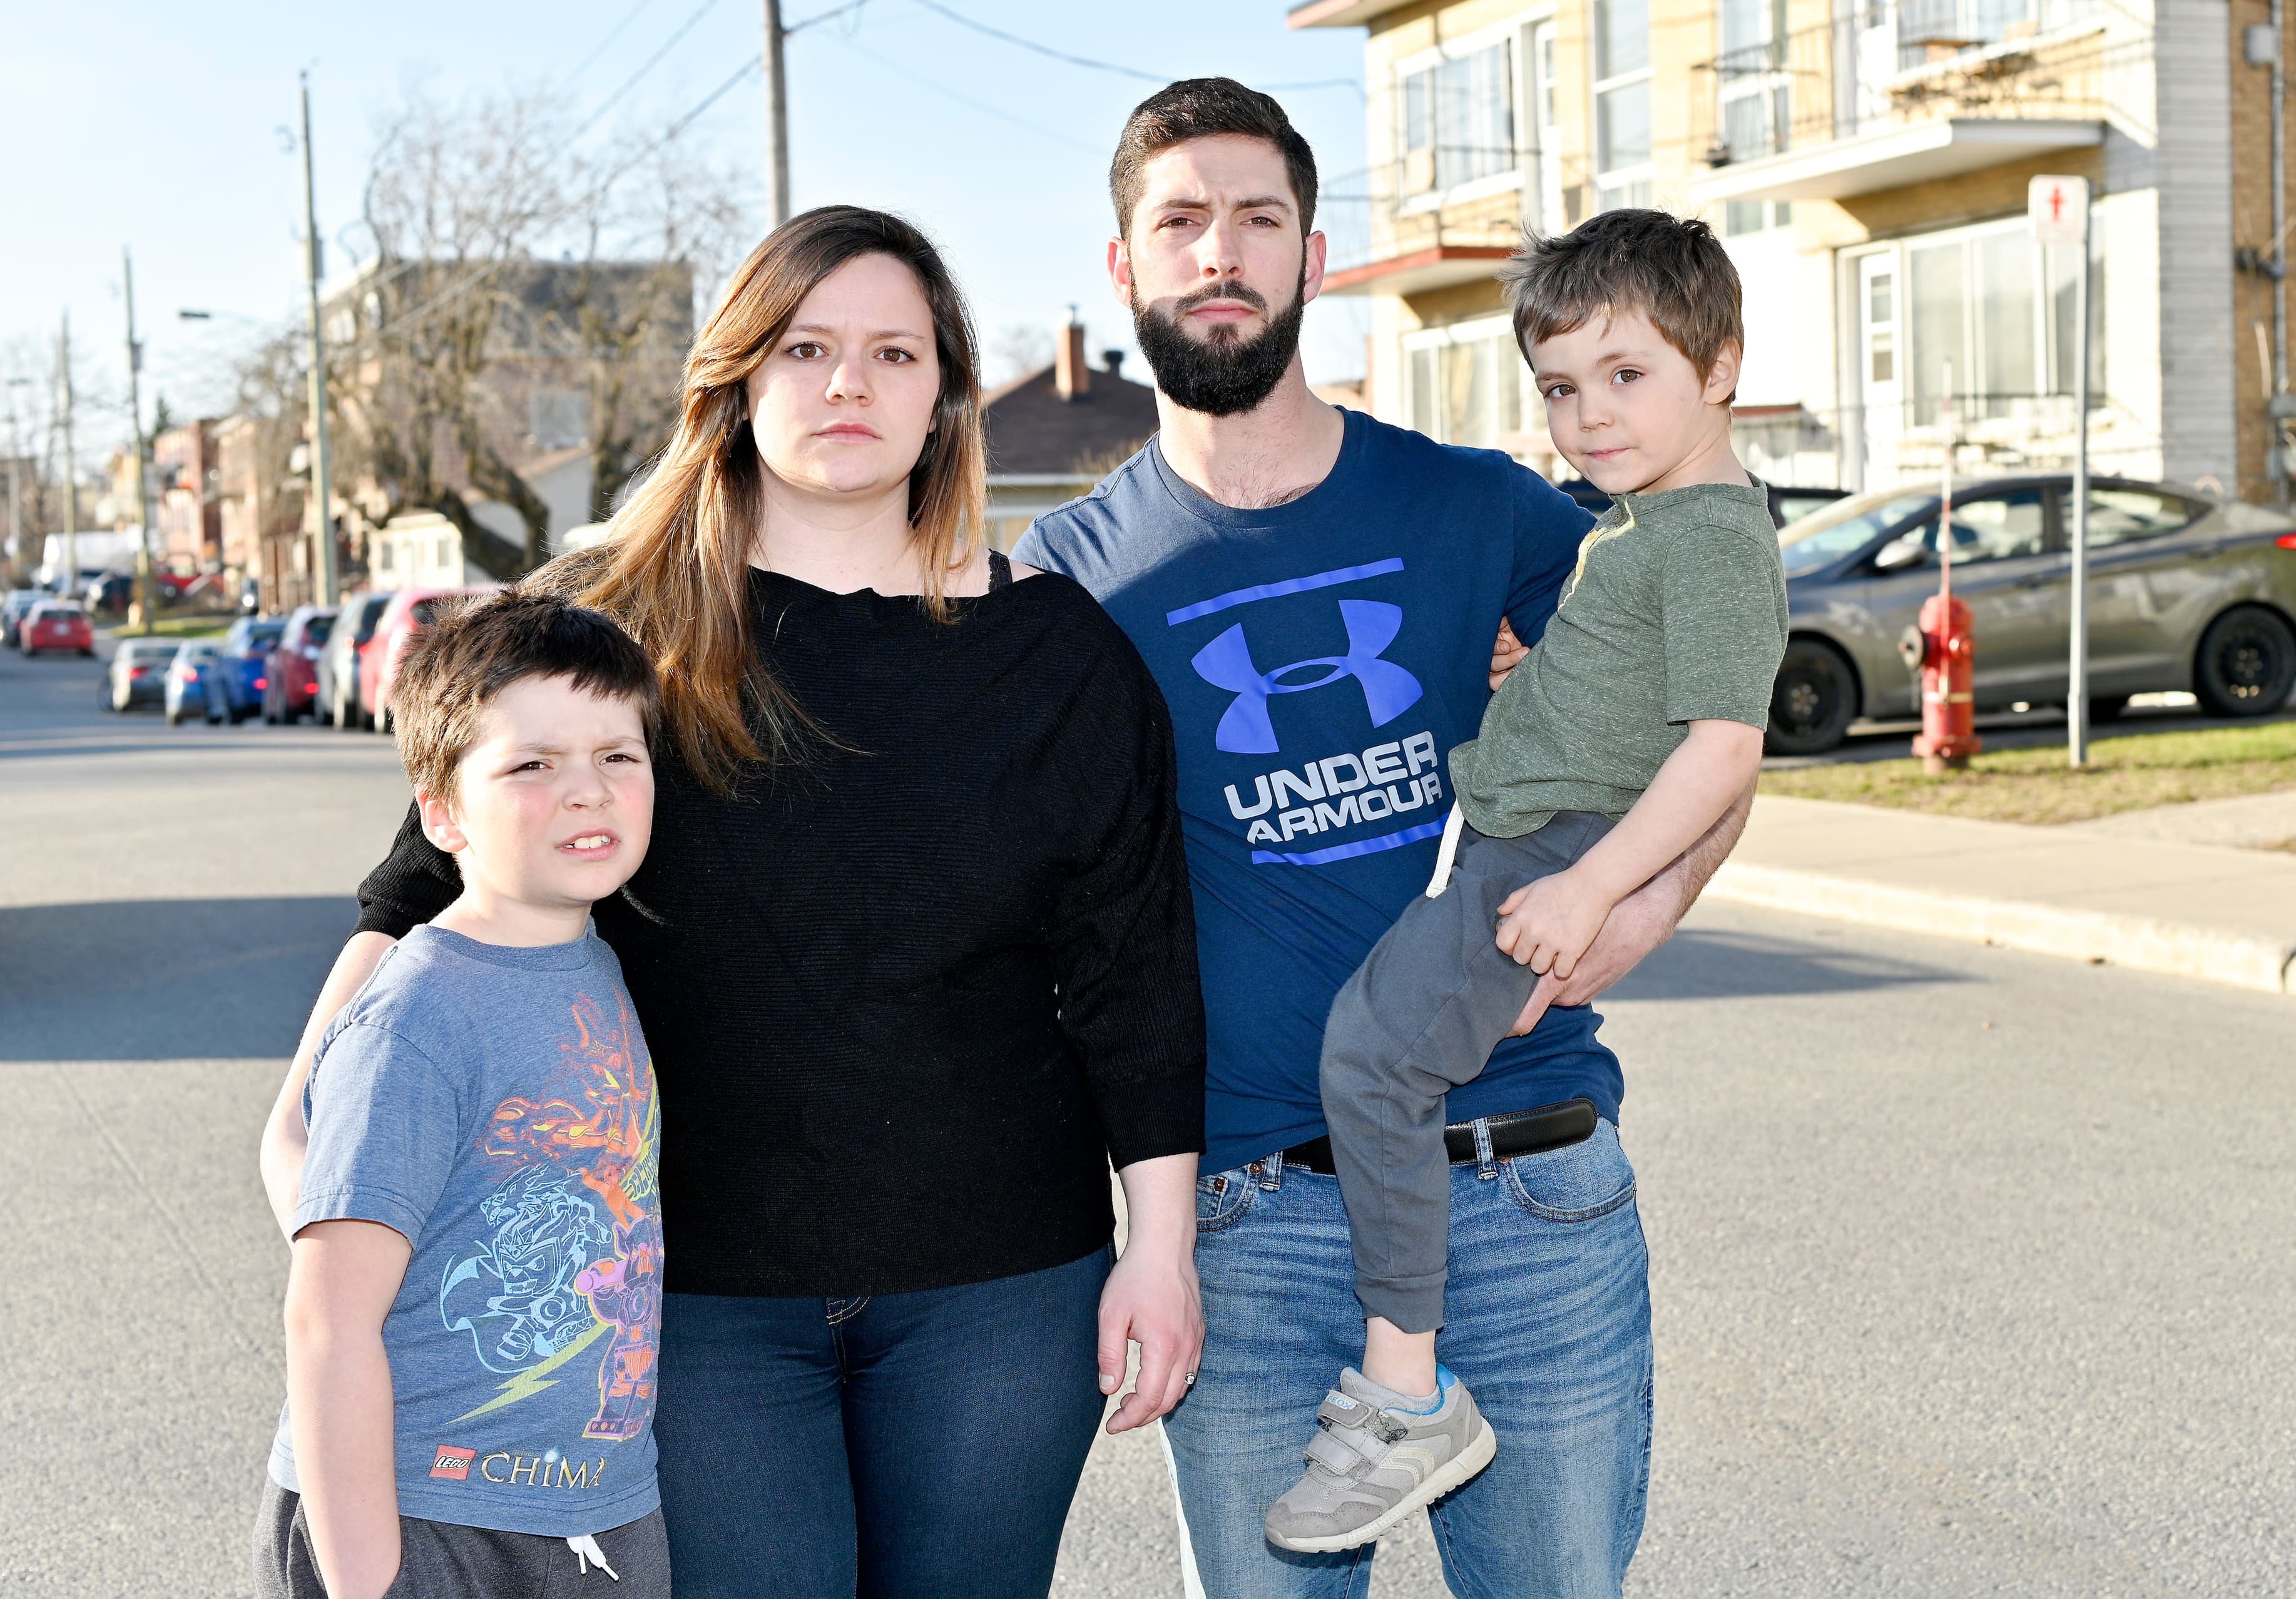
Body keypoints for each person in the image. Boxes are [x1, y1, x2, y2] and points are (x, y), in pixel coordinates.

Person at [262, 206, 1208, 1599]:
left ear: (945, 392)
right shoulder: (602, 623)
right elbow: (428, 877)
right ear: (738, 379)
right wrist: (308, 1116)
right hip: (684, 1301)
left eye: (894, 353)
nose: (848, 385)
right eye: (808, 348)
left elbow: (1136, 975)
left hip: (1003, 1290)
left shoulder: (1061, 657)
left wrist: (1163, 1253)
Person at [1015, 81, 1754, 1596]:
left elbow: (1713, 736)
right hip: (1248, 1222)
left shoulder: (1486, 510)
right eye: (1180, 222)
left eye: (1257, 219)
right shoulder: (1067, 576)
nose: (1219, 251)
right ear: (1124, 268)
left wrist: (1636, 911)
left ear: (1312, 255)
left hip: (1525, 1187)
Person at [1264, 211, 1786, 1554]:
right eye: (1561, 386)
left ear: (1719, 365)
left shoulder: (1717, 536)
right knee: (1379, 1054)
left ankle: (1406, 1385)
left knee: (1372, 1064)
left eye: (1627, 376)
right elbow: (1637, 683)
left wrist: (1602, 892)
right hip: (1529, 837)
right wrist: (1537, 679)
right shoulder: (1642, 524)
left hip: (1557, 858)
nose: (1589, 415)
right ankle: (1406, 1373)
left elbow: (1724, 745)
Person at [257, 590, 671, 1599]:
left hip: (597, 1510)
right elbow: (328, 1322)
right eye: (531, 764)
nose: (588, 791)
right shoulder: (418, 1019)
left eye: (618, 755)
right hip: (421, 1519)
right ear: (440, 813)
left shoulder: (599, 971)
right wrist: (369, 1579)